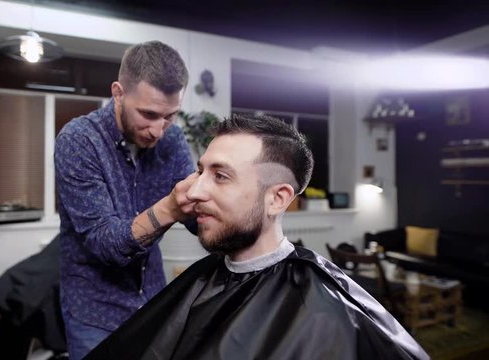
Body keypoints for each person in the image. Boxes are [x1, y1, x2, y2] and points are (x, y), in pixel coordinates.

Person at [85, 114, 429, 360]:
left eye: (221, 176)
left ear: (277, 198)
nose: (193, 192)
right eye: (200, 171)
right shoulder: (200, 283)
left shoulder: (324, 314)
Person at [54, 40, 198, 360]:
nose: (158, 131)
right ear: (118, 92)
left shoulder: (172, 139)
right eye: (148, 114)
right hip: (94, 312)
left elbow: (194, 217)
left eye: (170, 116)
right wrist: (169, 208)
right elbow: (105, 243)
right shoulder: (79, 141)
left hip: (153, 300)